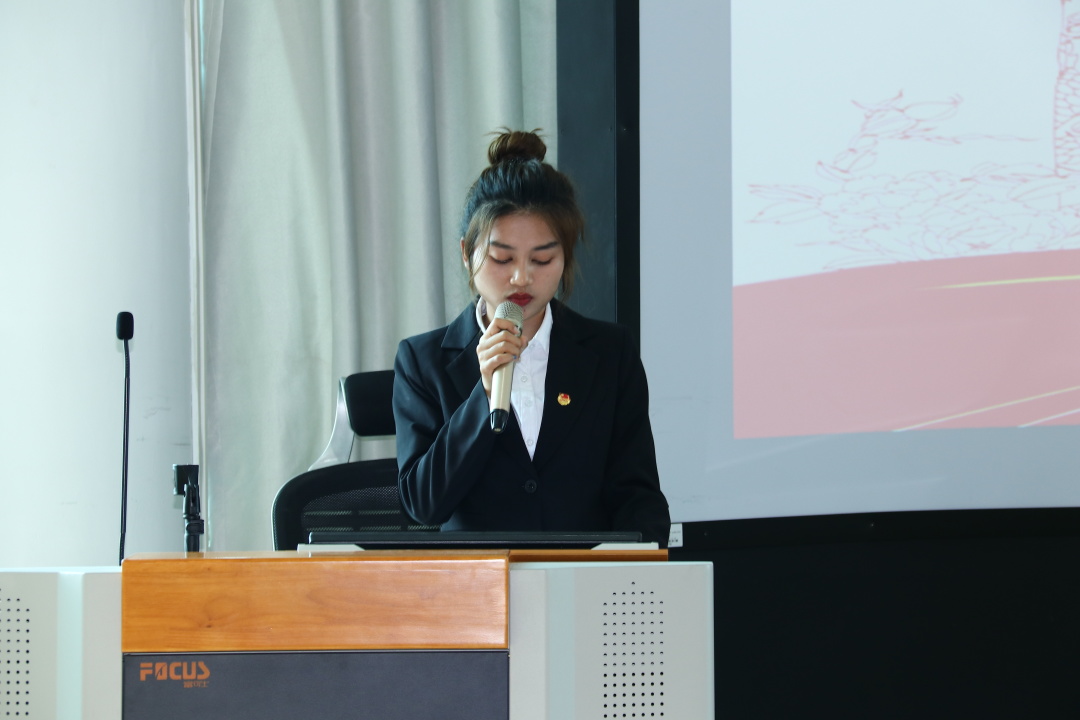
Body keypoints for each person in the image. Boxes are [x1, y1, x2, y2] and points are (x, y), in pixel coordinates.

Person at [393, 129, 670, 546]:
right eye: (502, 258)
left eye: (542, 259)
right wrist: (484, 395)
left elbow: (638, 496)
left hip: (583, 577)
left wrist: (630, 569)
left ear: (565, 258)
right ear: (467, 253)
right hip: (479, 581)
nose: (521, 277)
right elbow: (423, 504)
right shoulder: (423, 360)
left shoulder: (610, 353)